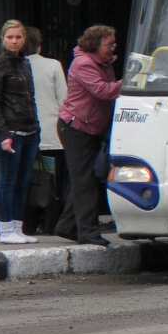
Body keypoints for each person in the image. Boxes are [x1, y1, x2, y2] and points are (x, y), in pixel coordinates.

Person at [55, 25, 122, 247]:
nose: (112, 49)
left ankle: (67, 225)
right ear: (94, 45)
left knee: (85, 178)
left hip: (90, 128)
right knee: (85, 182)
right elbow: (103, 91)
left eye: (114, 44)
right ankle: (88, 232)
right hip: (76, 128)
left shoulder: (104, 63)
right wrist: (131, 83)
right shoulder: (83, 64)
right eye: (108, 45)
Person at [0, 20, 41, 244]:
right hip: (11, 133)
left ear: (24, 39)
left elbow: (31, 97)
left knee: (22, 182)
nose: (14, 41)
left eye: (18, 37)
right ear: (3, 39)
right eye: (10, 37)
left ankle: (18, 228)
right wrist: (4, 134)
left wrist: (37, 126)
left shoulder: (25, 63)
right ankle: (6, 229)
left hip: (30, 131)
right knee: (8, 181)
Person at [23, 27, 68, 235]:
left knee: (29, 182)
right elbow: (64, 101)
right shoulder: (53, 66)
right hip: (52, 136)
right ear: (40, 45)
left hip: (25, 136)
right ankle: (52, 226)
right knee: (52, 184)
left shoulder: (17, 66)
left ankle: (29, 226)